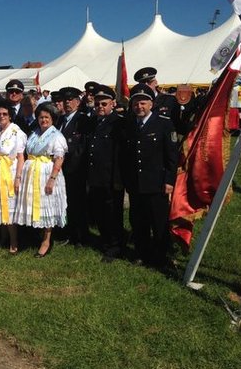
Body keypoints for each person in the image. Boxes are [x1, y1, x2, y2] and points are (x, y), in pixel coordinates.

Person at [119, 84, 178, 268]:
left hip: (156, 183)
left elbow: (172, 155)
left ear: (151, 104)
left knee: (158, 221)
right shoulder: (130, 125)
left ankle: (161, 256)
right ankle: (141, 253)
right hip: (136, 184)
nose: (139, 107)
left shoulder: (163, 124)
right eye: (136, 103)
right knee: (138, 221)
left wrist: (169, 180)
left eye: (143, 103)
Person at [14, 102, 67, 257]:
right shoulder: (35, 133)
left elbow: (59, 159)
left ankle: (47, 240)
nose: (43, 120)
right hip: (32, 173)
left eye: (46, 117)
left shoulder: (56, 136)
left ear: (53, 119)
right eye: (41, 117)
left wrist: (52, 179)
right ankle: (35, 235)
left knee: (47, 205)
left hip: (46, 173)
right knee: (33, 204)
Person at [86, 85, 126, 261]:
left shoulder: (118, 122)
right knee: (99, 212)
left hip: (111, 178)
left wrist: (118, 180)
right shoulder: (95, 122)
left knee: (112, 214)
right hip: (96, 177)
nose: (100, 107)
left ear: (113, 104)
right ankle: (105, 240)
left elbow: (120, 154)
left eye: (104, 103)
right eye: (97, 104)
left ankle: (115, 246)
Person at [0, 100, 27, 255]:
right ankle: (2, 238)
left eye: (4, 114)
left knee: (9, 206)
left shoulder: (17, 131)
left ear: (10, 115)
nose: (1, 116)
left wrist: (18, 177)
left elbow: (20, 156)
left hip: (9, 172)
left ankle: (14, 241)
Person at [58, 86, 90, 247]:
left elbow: (81, 146)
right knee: (67, 203)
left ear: (78, 102)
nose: (68, 103)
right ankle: (69, 234)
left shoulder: (82, 120)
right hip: (62, 170)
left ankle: (81, 237)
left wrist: (70, 163)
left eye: (71, 100)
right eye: (65, 101)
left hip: (75, 169)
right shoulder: (61, 120)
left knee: (78, 204)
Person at [134, 67, 180, 131]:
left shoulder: (169, 100)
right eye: (143, 83)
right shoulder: (135, 102)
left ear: (155, 82)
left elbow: (177, 123)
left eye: (149, 82)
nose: (146, 85)